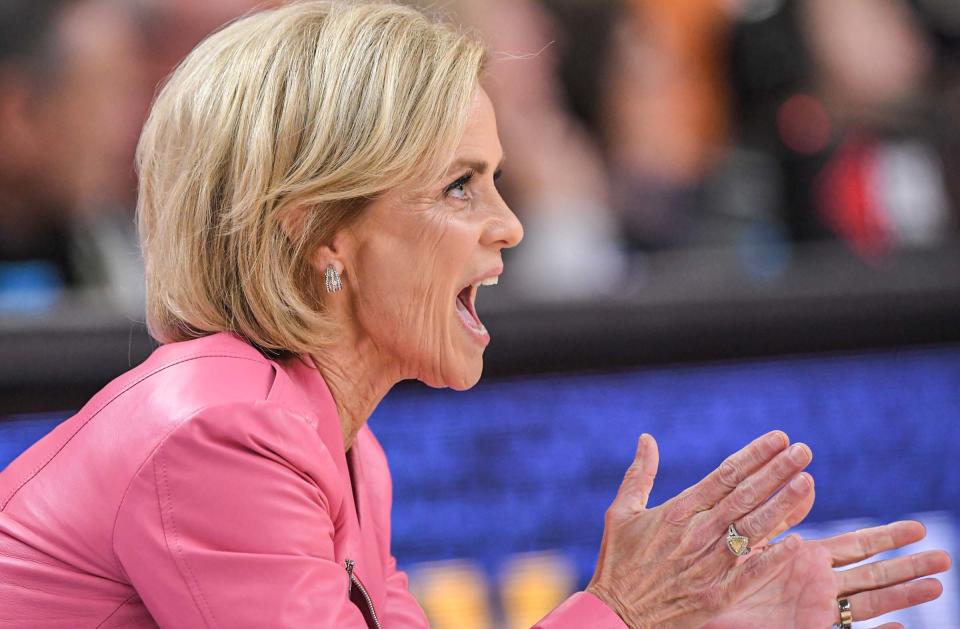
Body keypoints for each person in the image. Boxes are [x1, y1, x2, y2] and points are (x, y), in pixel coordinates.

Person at [0, 2, 949, 627]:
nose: (509, 224)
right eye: (461, 185)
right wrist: (620, 613)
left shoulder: (336, 441)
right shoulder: (219, 432)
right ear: (320, 231)